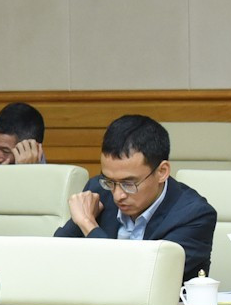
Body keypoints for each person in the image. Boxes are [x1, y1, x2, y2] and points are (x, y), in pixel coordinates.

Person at [55, 114, 217, 281]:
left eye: (129, 183)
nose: (118, 195)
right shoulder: (99, 191)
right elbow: (54, 256)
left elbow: (142, 279)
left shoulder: (194, 215)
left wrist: (88, 225)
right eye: (109, 181)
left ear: (162, 172)